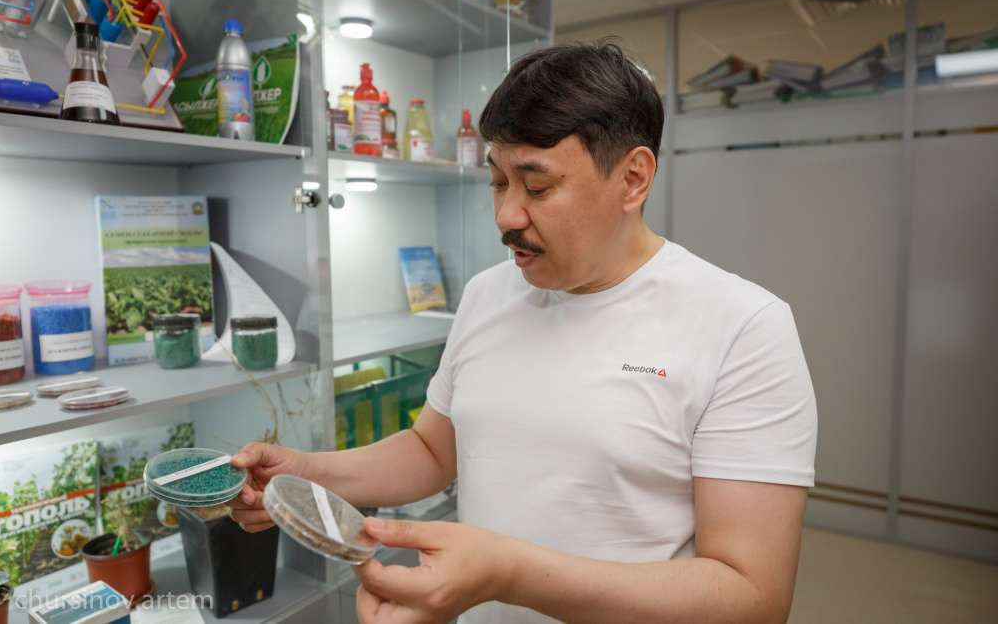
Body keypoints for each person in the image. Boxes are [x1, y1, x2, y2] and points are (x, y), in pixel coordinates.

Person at [231, 41, 818, 624]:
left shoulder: (743, 327)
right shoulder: (489, 294)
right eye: (497, 182)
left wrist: (509, 574)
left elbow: (751, 597)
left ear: (633, 178)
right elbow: (433, 450)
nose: (507, 216)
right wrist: (306, 473)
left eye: (536, 186)